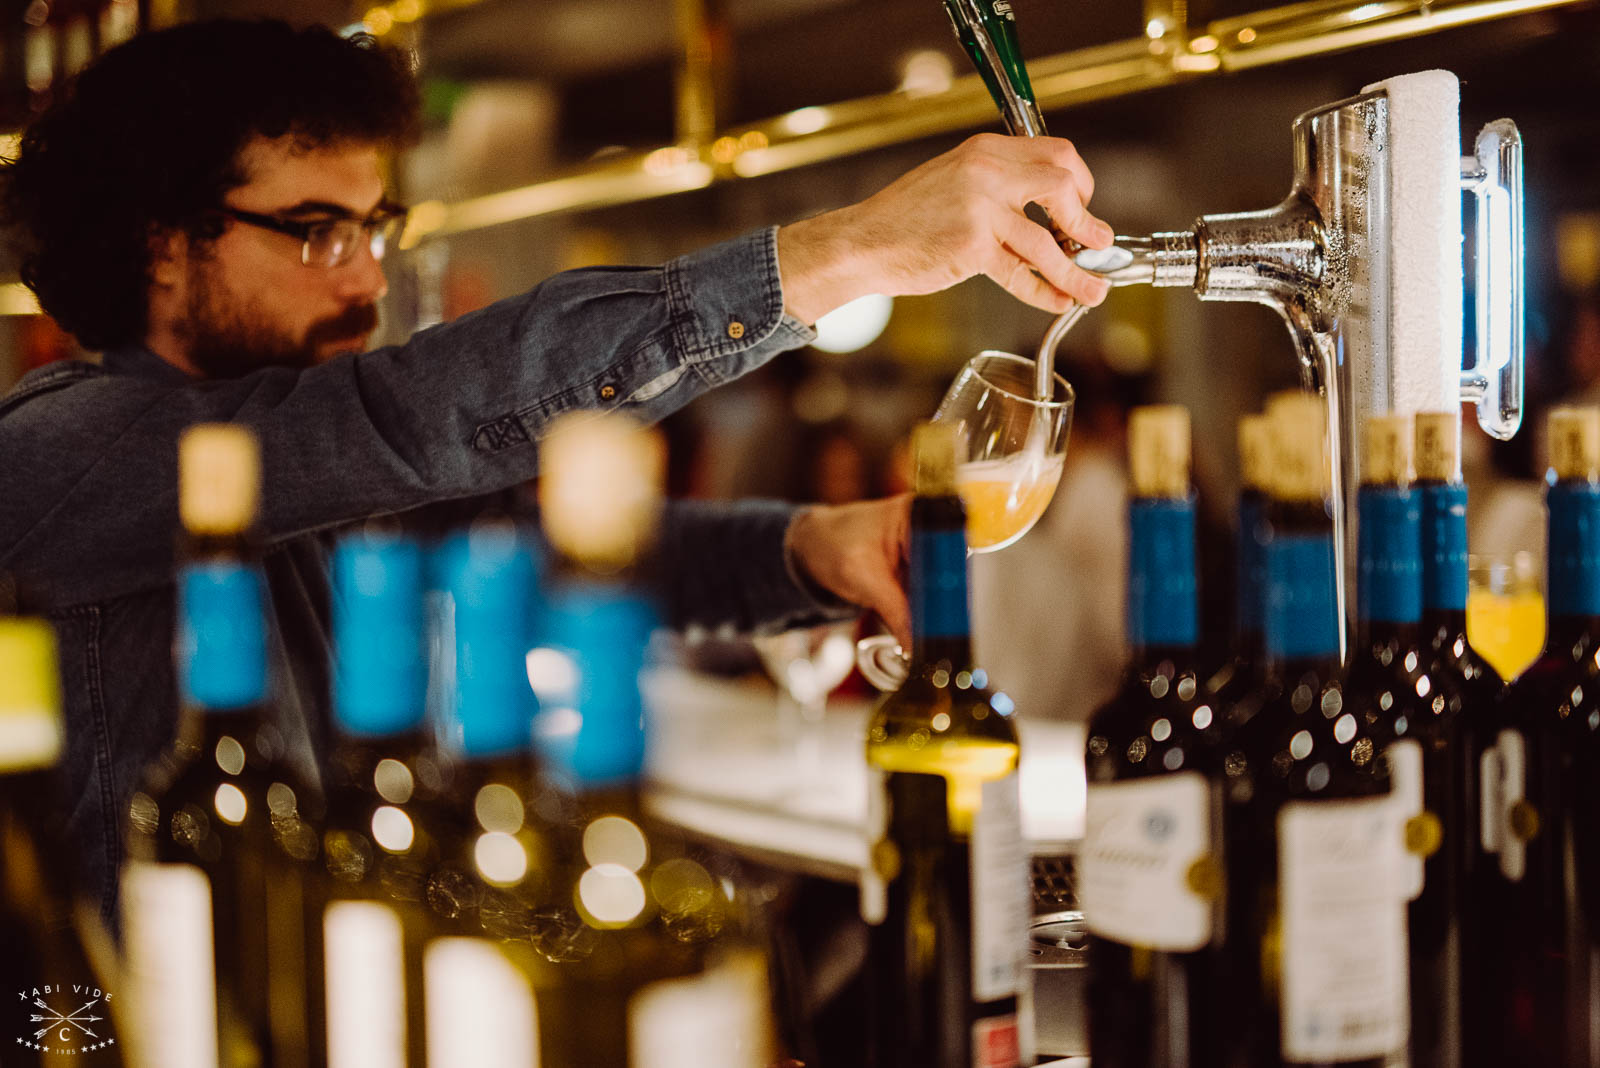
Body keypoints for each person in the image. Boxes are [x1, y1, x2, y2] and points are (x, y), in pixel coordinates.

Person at [0, 18, 1112, 915]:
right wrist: (842, 252)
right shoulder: (63, 451)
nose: (365, 283)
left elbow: (555, 559)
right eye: (318, 232)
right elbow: (419, 414)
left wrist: (805, 550)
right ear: (161, 243)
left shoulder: (307, 477)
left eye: (373, 230)